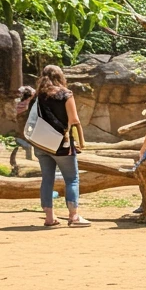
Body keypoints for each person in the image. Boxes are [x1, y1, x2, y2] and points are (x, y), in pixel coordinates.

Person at [31, 65, 88, 228]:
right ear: (60, 76)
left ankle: (49, 218)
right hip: (62, 145)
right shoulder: (66, 94)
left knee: (47, 179)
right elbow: (74, 120)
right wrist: (80, 141)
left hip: (41, 144)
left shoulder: (38, 96)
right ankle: (74, 216)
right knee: (72, 179)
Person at [10, 85, 35, 176]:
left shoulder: (19, 102)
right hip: (25, 119)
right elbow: (34, 93)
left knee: (25, 138)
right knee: (26, 139)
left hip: (21, 119)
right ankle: (27, 157)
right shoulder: (28, 102)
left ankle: (24, 156)